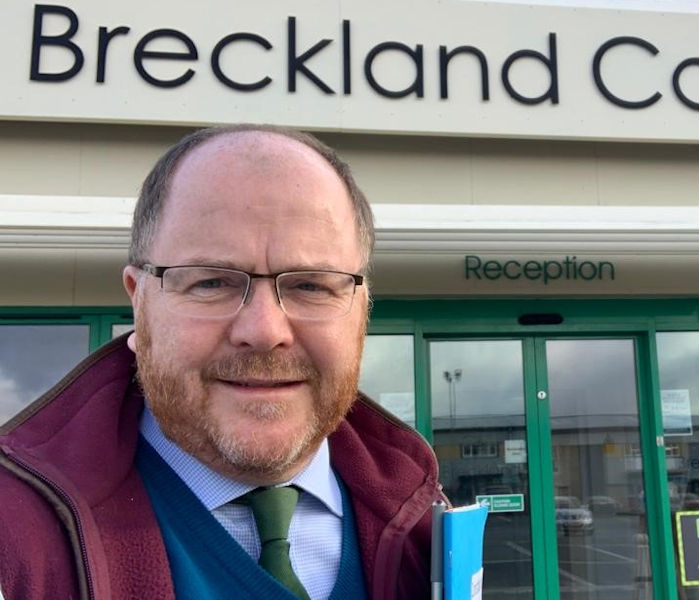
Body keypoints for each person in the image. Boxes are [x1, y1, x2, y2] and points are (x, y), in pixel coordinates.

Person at [0, 125, 444, 600]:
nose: (264, 331)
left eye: (311, 285)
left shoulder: (424, 518)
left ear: (362, 310)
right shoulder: (16, 536)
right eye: (211, 282)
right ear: (140, 301)